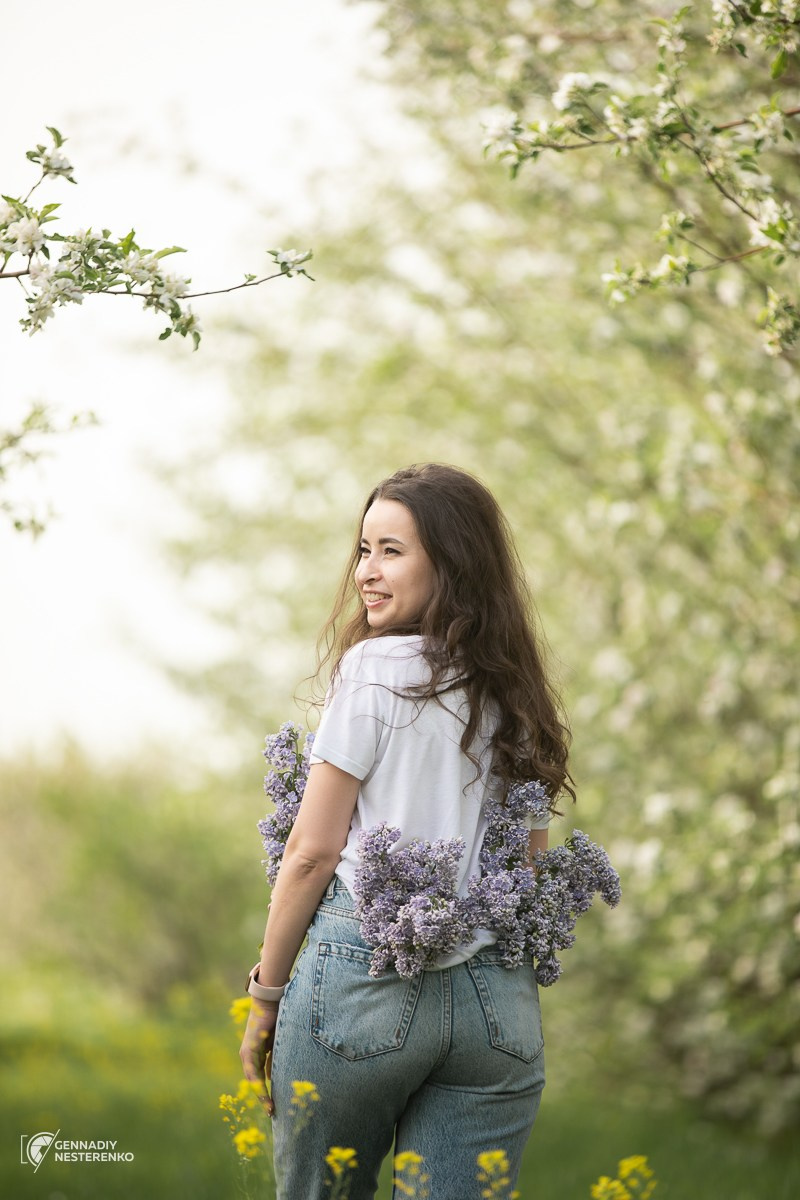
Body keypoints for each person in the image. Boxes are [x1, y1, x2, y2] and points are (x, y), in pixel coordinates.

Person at [240, 463, 574, 1199]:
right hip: (497, 1007)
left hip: (365, 983)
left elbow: (312, 852)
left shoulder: (372, 669)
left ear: (450, 564)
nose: (366, 571)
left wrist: (265, 999)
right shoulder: (515, 688)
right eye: (364, 549)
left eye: (392, 551)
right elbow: (531, 873)